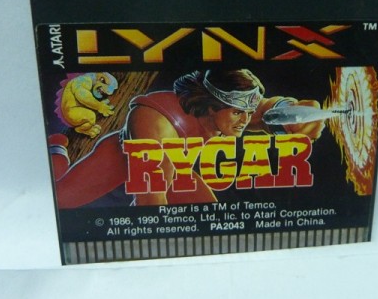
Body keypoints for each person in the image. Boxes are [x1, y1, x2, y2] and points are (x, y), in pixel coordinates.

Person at [50, 69, 324, 208]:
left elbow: (265, 110)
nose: (246, 119)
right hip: (123, 158)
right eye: (238, 112)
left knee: (210, 217)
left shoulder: (227, 113)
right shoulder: (155, 123)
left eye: (248, 112)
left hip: (178, 167)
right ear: (212, 106)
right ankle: (56, 150)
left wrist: (293, 113)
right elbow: (150, 204)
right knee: (62, 199)